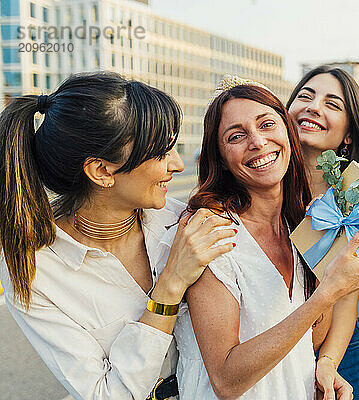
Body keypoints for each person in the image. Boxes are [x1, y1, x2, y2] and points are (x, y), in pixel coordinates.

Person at [0, 72, 236, 400]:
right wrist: (169, 287)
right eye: (161, 152)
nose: (178, 164)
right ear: (102, 171)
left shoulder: (184, 222)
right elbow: (105, 394)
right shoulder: (34, 271)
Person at [170, 76, 359, 399]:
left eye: (267, 124)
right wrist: (326, 293)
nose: (257, 142)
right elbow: (226, 381)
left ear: (287, 133)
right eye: (236, 136)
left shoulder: (300, 223)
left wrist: (324, 370)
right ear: (221, 159)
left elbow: (310, 341)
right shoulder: (210, 229)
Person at [287, 65, 359, 400]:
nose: (314, 106)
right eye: (305, 96)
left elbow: (347, 297)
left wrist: (328, 362)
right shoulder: (259, 185)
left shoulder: (357, 199)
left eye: (332, 104)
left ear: (348, 135)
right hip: (270, 345)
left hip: (339, 350)